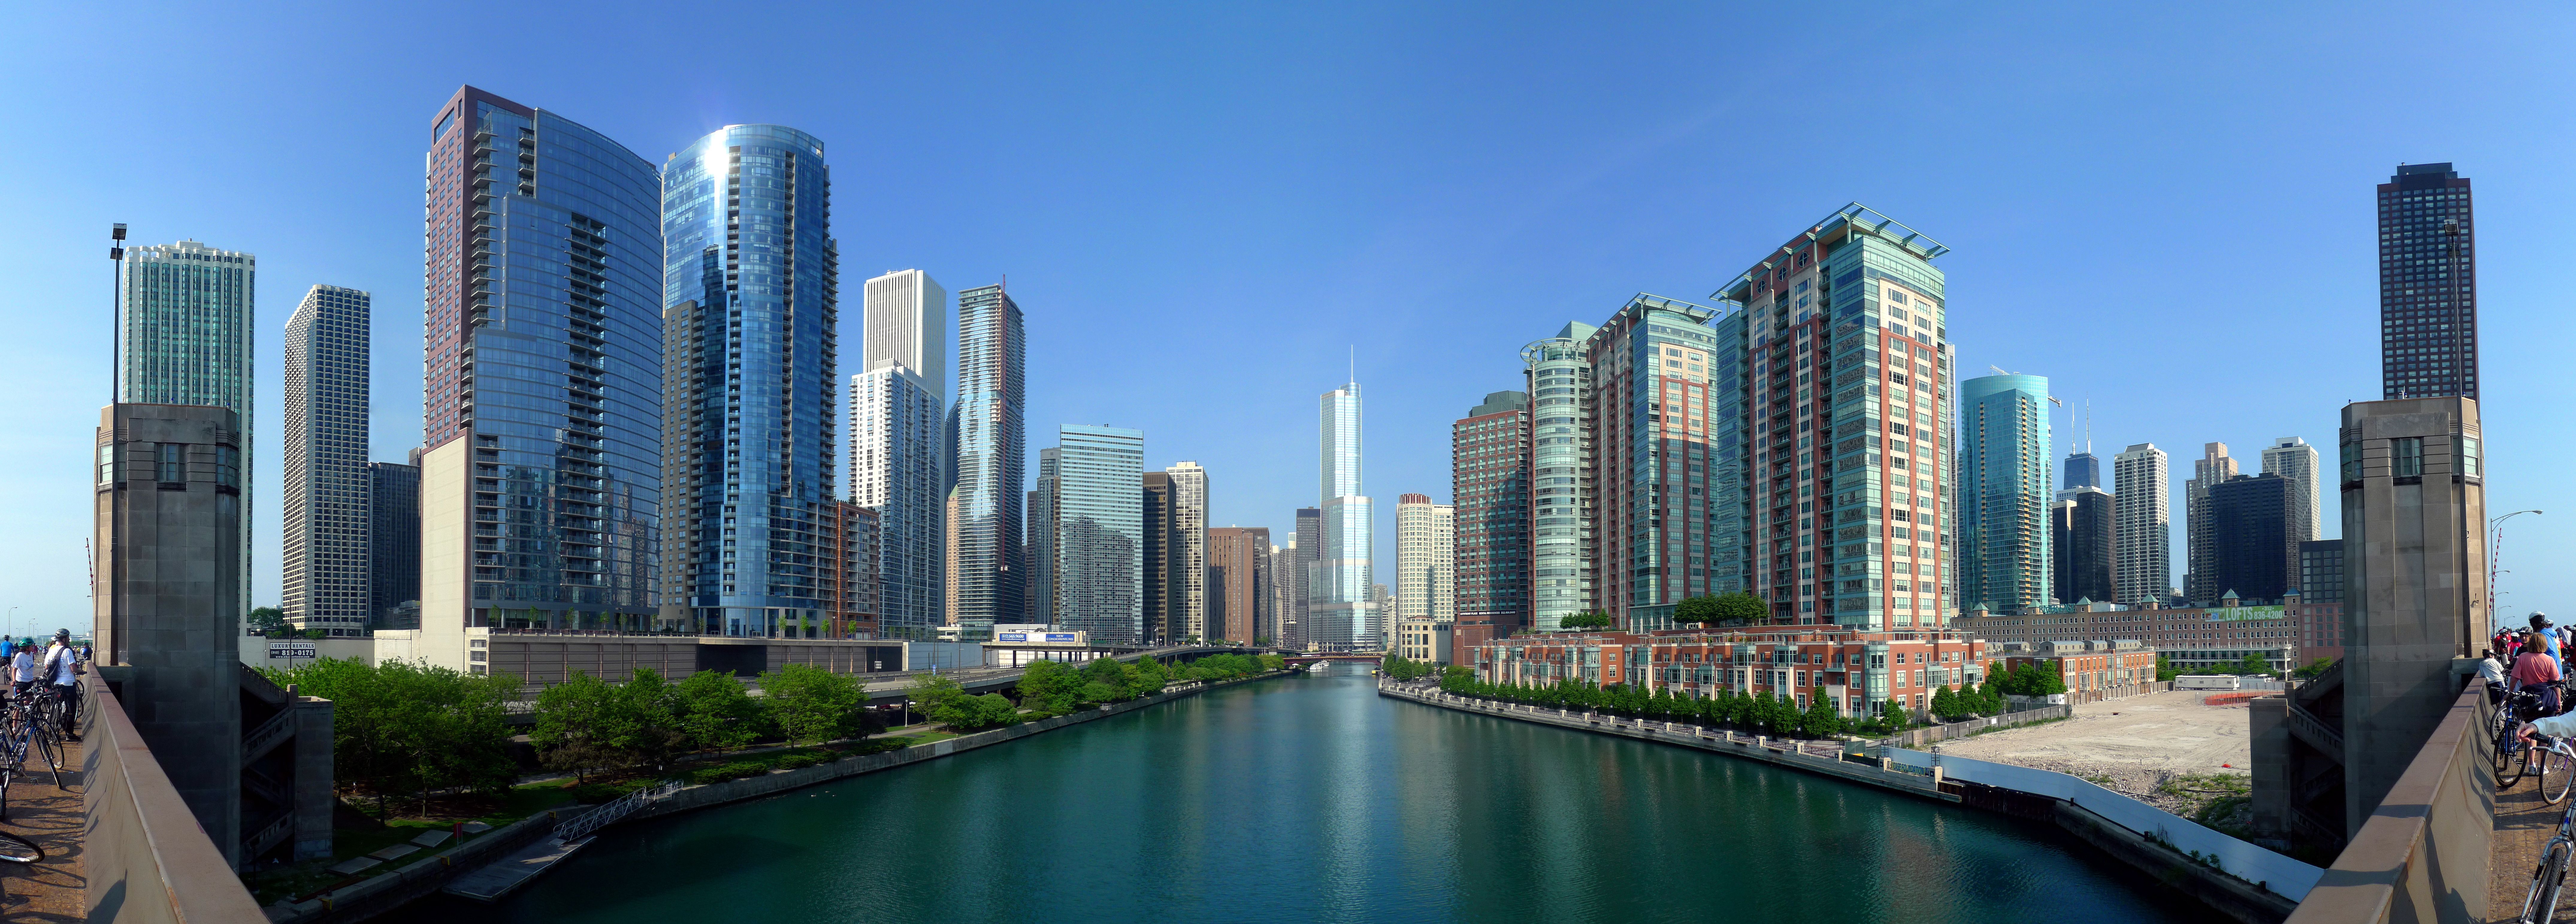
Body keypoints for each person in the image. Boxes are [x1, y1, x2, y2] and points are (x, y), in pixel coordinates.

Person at [41, 631, 76, 741]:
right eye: (68, 638)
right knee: (71, 709)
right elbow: (73, 669)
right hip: (69, 684)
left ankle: (54, 727)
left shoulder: (51, 651)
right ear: (64, 639)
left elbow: (47, 667)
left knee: (55, 705)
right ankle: (69, 734)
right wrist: (80, 671)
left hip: (56, 684)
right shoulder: (67, 651)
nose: (69, 640)